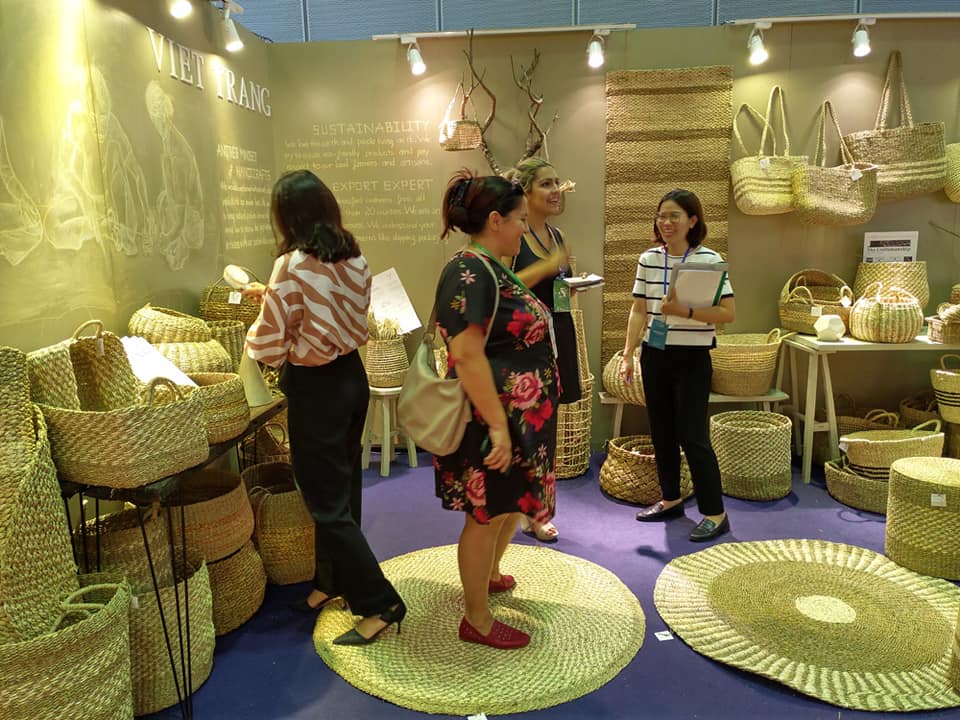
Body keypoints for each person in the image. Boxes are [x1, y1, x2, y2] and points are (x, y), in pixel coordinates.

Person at [244, 169, 405, 645]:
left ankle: (380, 602)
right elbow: (332, 312)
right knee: (345, 488)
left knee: (323, 501)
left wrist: (266, 307)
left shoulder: (291, 265)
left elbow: (268, 344)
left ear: (288, 216)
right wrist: (276, 298)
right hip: (351, 378)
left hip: (315, 388)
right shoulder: (354, 258)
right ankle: (330, 580)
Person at [433, 170, 559, 649]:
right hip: (491, 420)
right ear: (494, 220)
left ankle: (488, 576)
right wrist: (500, 429)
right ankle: (477, 619)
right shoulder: (469, 271)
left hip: (515, 418)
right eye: (520, 219)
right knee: (485, 515)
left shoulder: (492, 266)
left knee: (507, 505)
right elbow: (466, 355)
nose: (525, 229)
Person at [619, 188, 735, 542]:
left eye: (674, 216)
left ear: (692, 220)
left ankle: (715, 514)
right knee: (661, 431)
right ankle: (670, 498)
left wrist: (683, 311)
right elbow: (639, 309)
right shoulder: (649, 259)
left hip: (692, 357)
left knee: (693, 435)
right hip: (655, 354)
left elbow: (727, 313)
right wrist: (628, 353)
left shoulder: (709, 260)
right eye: (662, 216)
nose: (666, 223)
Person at [502, 158, 581, 543]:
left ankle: (537, 512)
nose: (555, 191)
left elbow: (560, 287)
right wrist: (547, 267)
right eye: (546, 184)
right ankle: (517, 508)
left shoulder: (557, 235)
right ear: (526, 192)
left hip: (557, 334)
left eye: (557, 183)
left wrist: (570, 284)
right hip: (523, 346)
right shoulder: (513, 236)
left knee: (547, 433)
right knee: (524, 433)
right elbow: (502, 285)